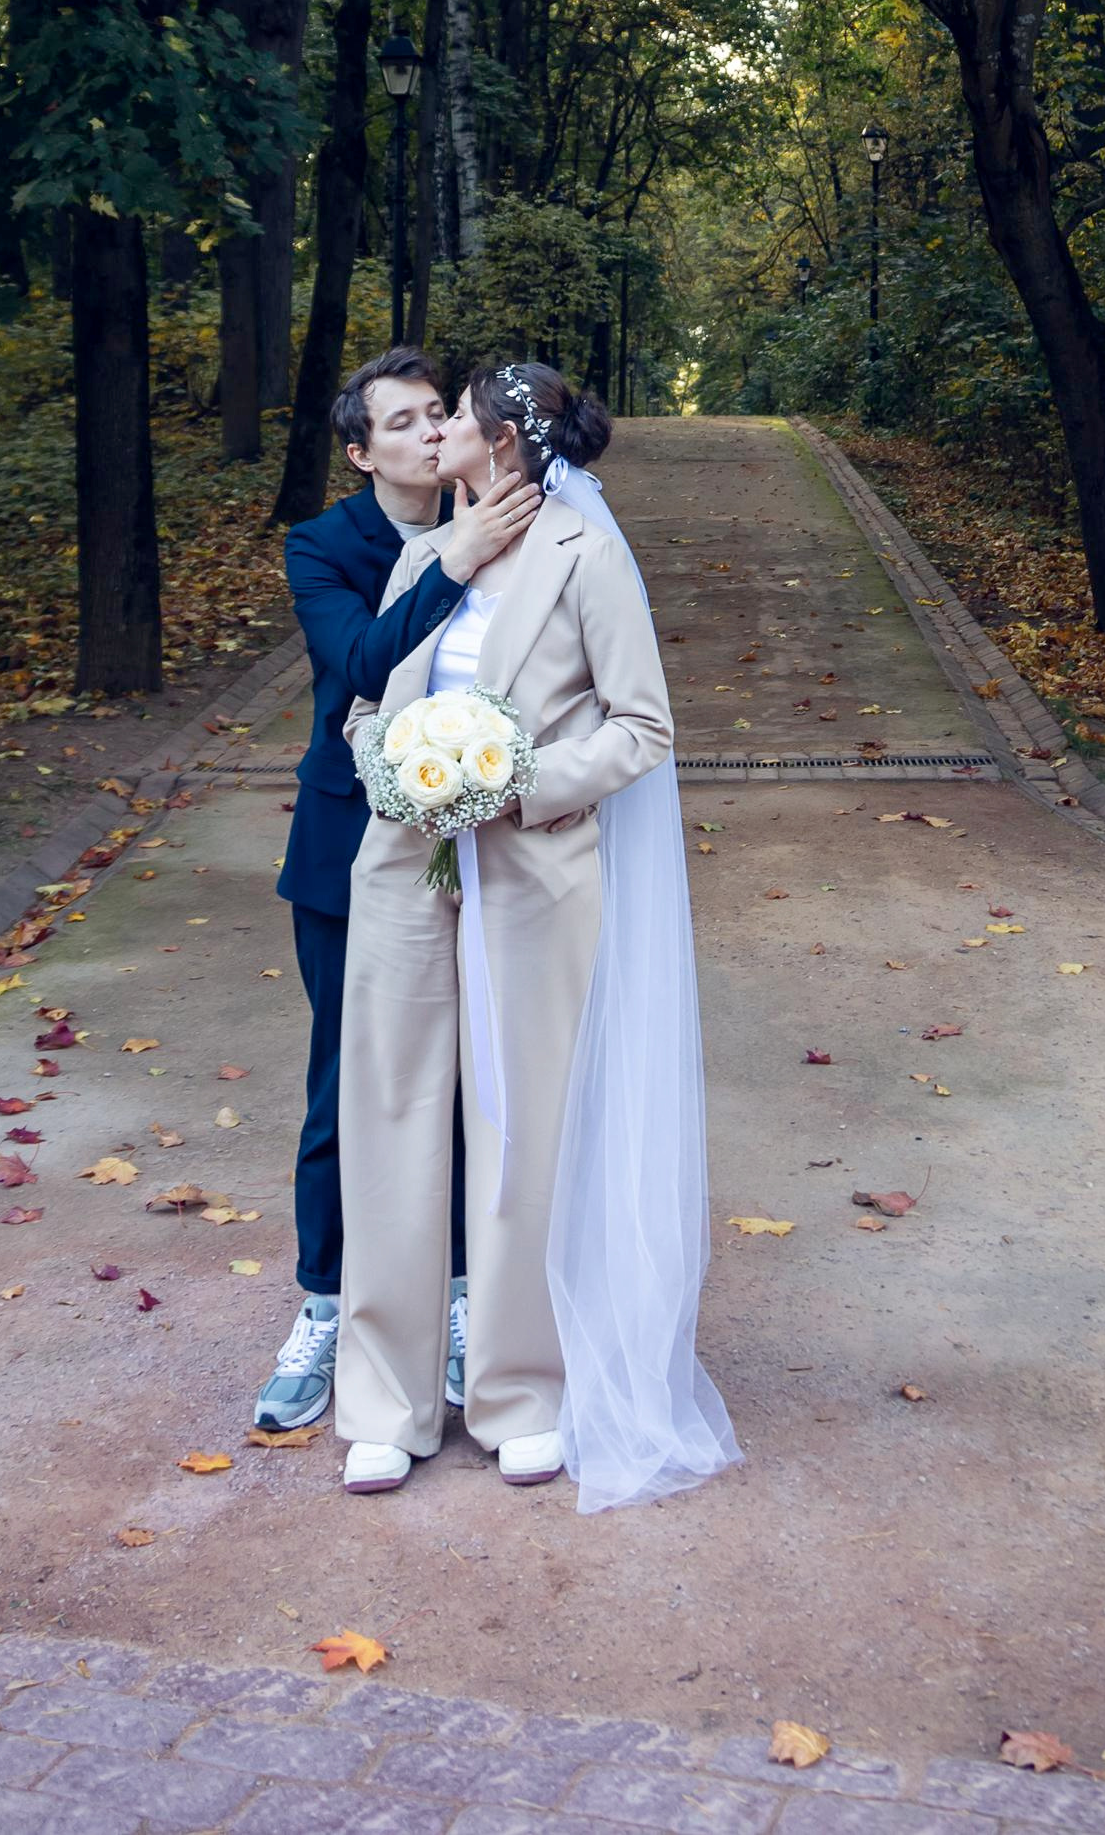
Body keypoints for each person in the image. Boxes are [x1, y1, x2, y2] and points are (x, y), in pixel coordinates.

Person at [333, 360, 740, 1511]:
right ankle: (384, 1404)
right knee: (392, 1116)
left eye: (456, 415)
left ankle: (520, 1392)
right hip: (402, 871)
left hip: (534, 874)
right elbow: (367, 703)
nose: (437, 430)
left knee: (518, 1126)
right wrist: (397, 772)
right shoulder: (424, 554)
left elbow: (640, 727)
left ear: (503, 441)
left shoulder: (583, 553)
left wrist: (515, 783)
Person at [254, 348, 542, 1435]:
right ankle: (324, 1305)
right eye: (404, 421)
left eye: (440, 414)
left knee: (476, 1081)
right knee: (348, 1080)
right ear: (360, 448)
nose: (429, 433)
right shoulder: (323, 545)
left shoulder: (517, 517)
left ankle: (466, 1302)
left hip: (490, 848)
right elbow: (361, 666)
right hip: (347, 851)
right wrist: (453, 559)